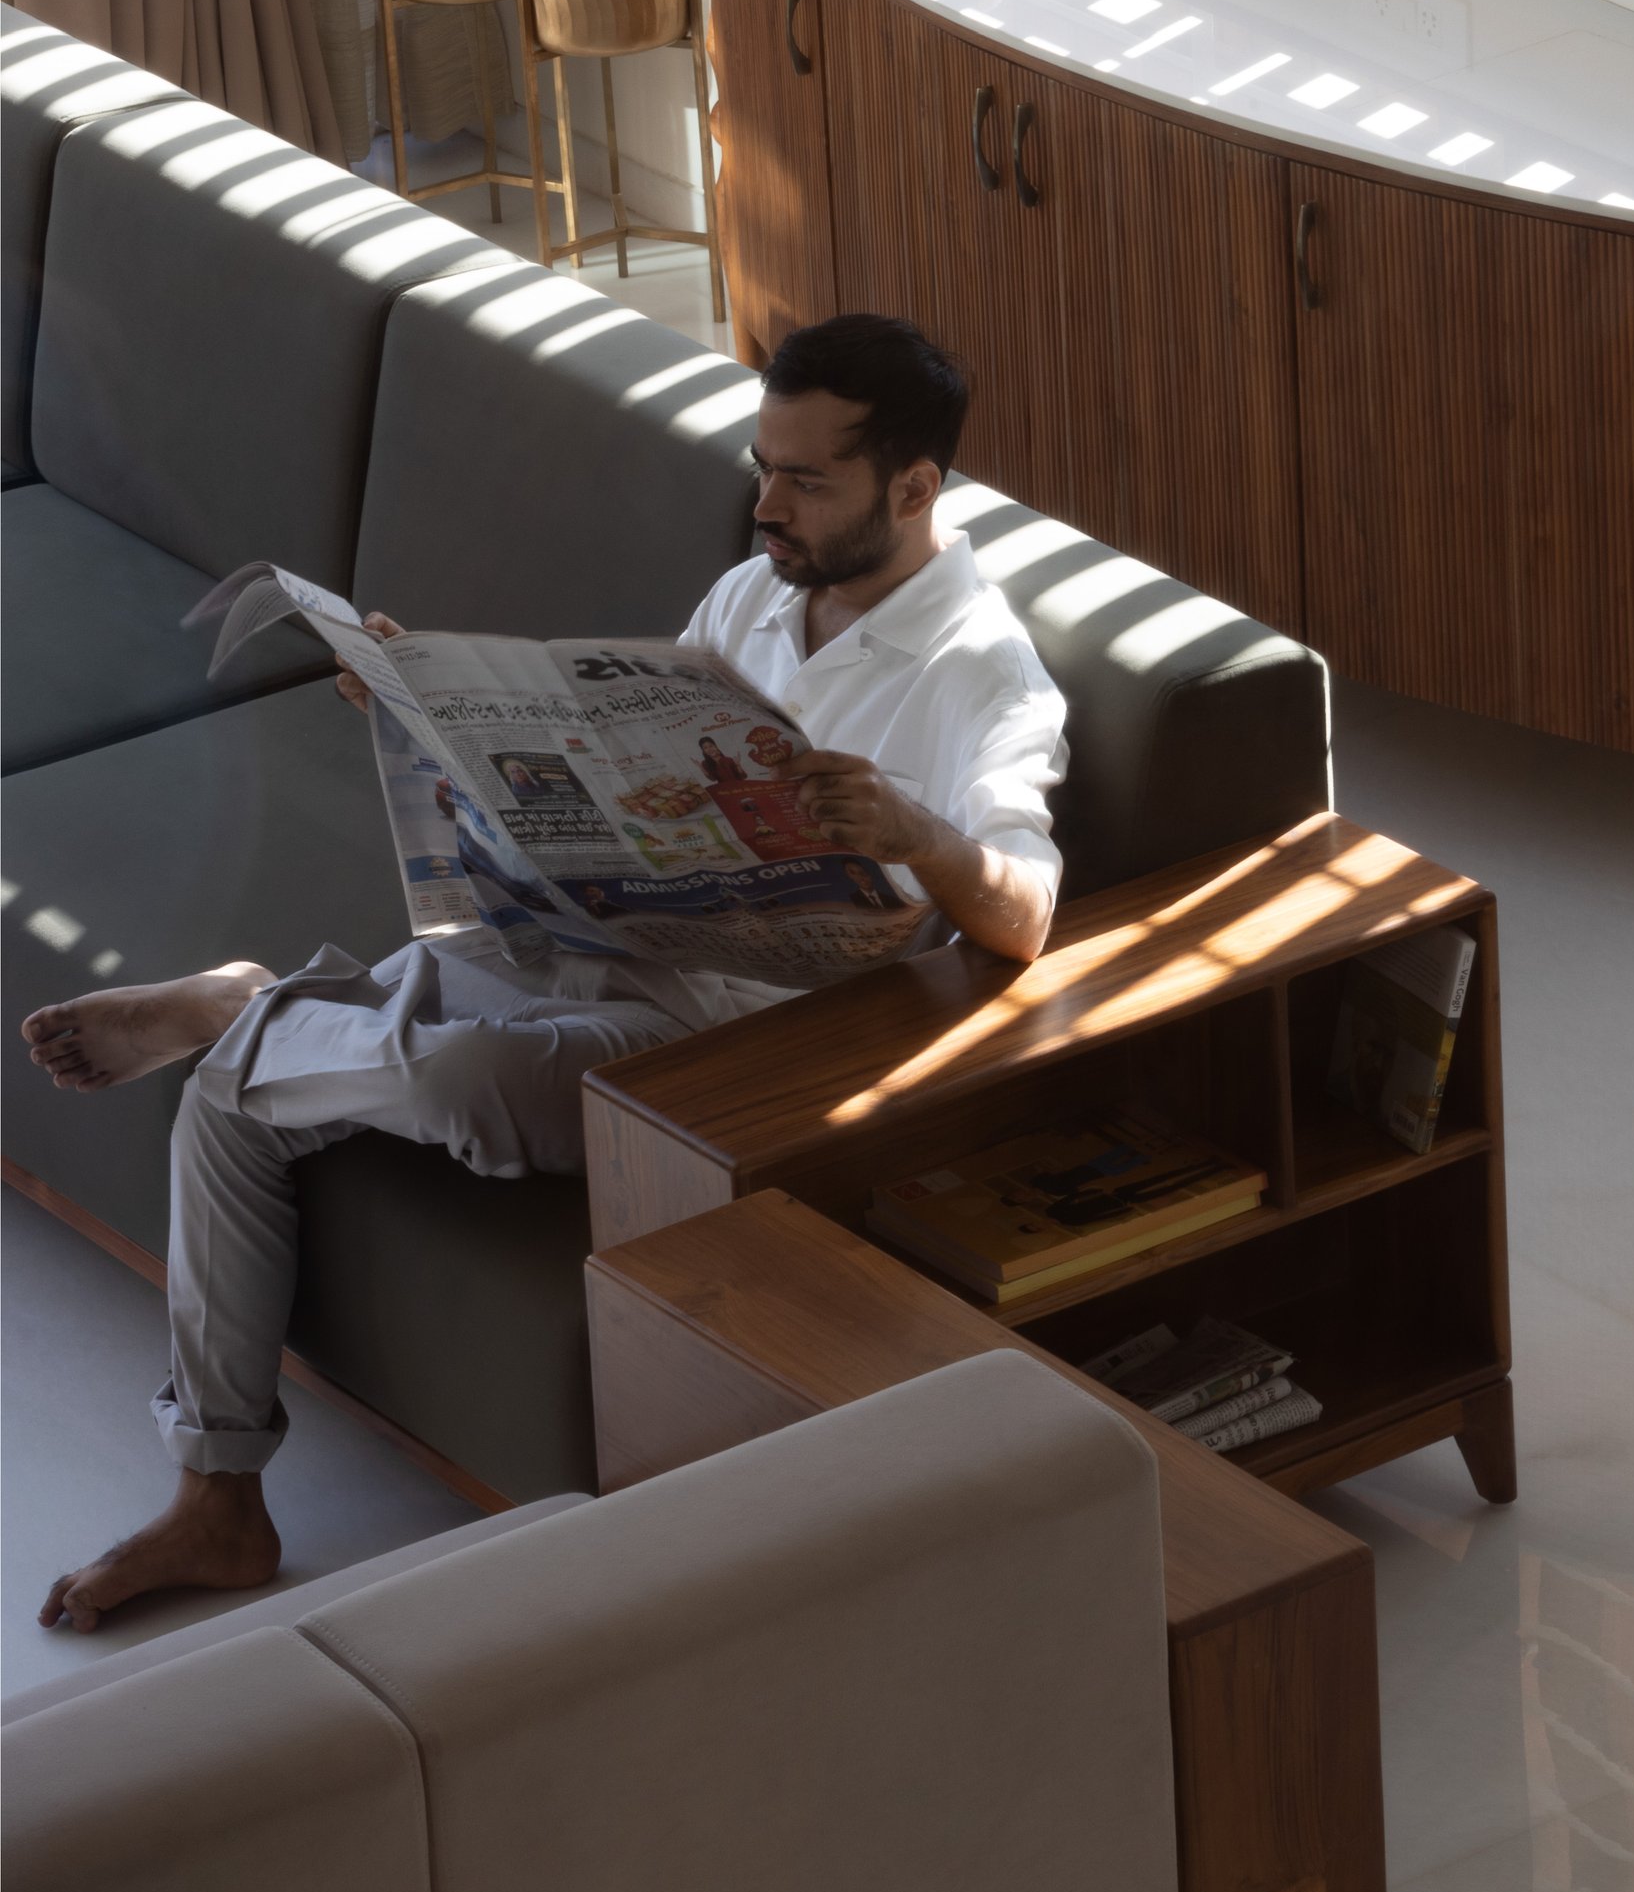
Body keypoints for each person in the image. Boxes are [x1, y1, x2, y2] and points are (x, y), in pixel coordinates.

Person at [20, 314, 1064, 1631]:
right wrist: (432, 712)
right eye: (764, 466)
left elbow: (1025, 914)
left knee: (459, 1074)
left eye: (806, 479)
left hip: (732, 1044)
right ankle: (218, 1500)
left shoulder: (986, 672)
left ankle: (261, 998)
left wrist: (919, 834)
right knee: (226, 1101)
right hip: (598, 945)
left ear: (914, 488)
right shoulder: (754, 593)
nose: (766, 504)